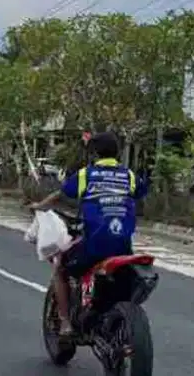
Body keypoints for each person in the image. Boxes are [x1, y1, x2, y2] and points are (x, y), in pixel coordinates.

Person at [30, 131, 147, 337]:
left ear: (94, 154)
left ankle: (65, 323)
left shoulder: (86, 175)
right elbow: (141, 193)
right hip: (123, 248)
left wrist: (39, 206)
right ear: (117, 153)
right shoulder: (128, 176)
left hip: (95, 246)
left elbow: (61, 194)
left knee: (60, 268)